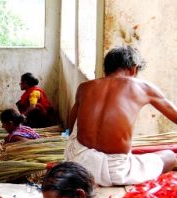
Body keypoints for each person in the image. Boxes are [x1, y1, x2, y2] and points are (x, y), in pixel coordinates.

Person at [65, 46, 177, 187]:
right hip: (115, 171)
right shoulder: (144, 88)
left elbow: (71, 124)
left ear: (106, 69)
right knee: (169, 156)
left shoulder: (84, 87)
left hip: (78, 162)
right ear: (134, 69)